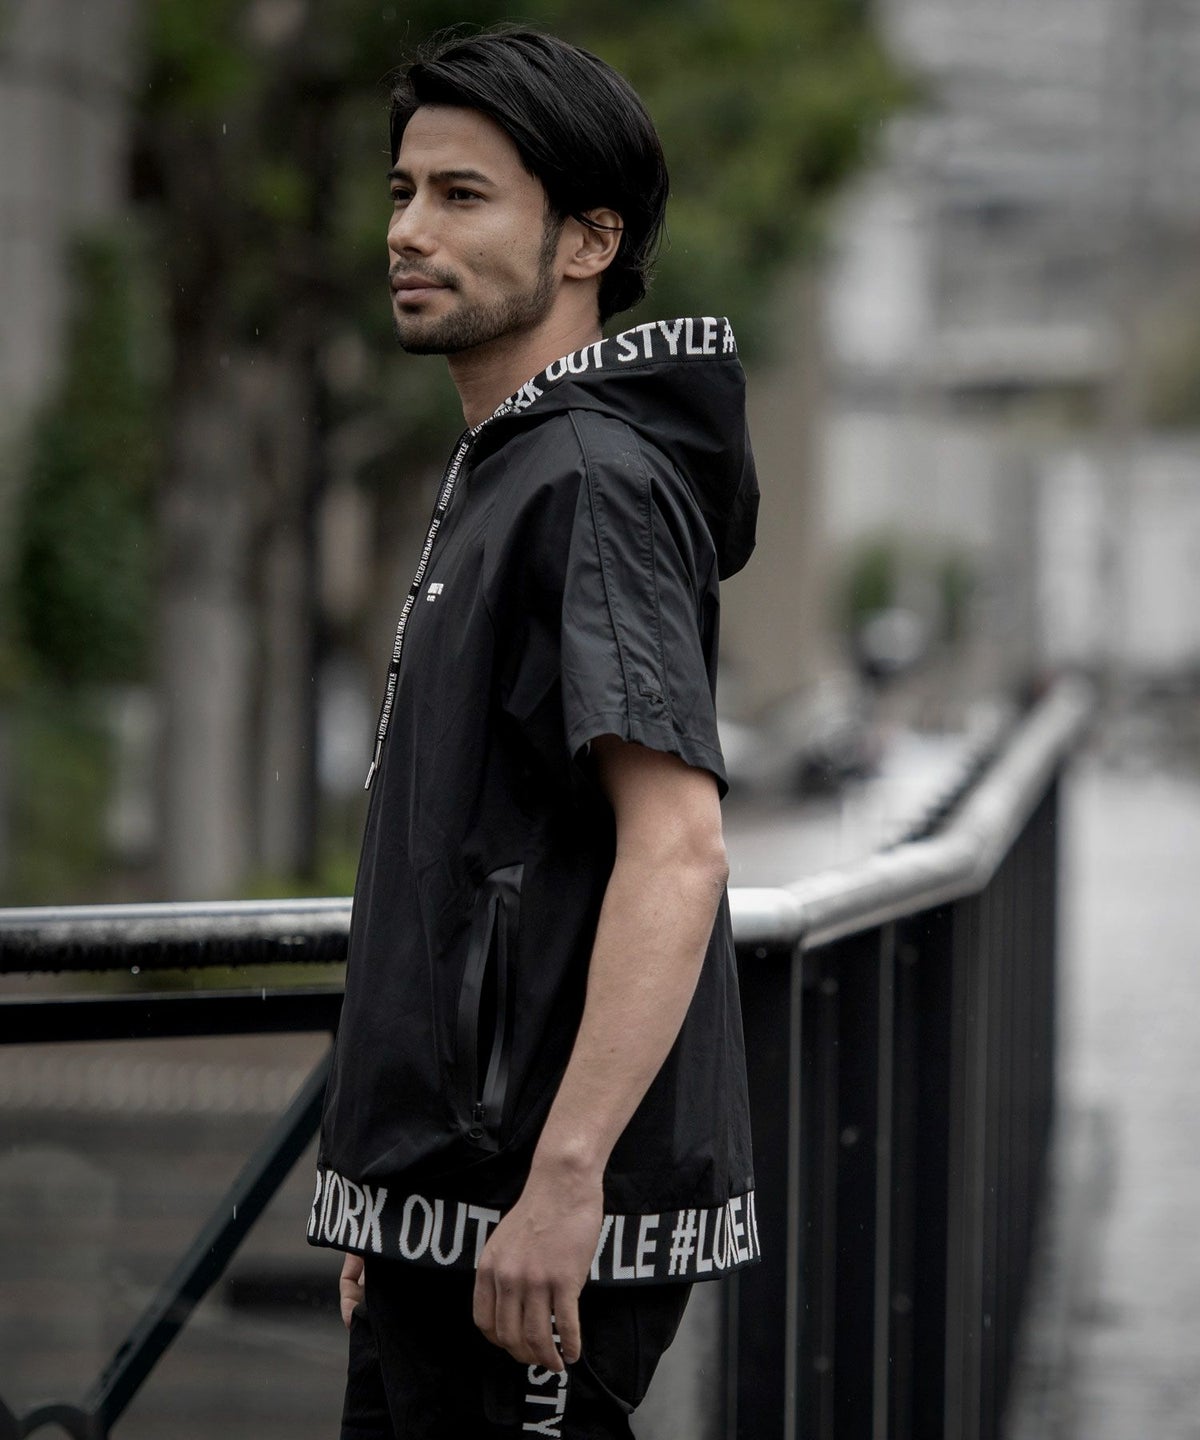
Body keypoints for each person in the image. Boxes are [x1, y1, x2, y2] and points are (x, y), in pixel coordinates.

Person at [308, 27, 760, 1439]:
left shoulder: (590, 483)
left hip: (530, 1223)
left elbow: (676, 848)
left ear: (588, 241)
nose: (409, 231)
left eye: (463, 196)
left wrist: (566, 1182)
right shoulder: (507, 473)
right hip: (449, 1208)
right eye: (402, 192)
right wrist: (387, 1189)